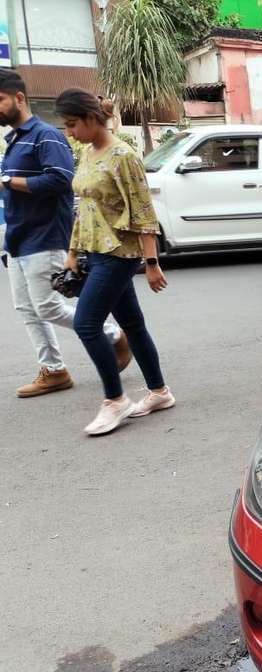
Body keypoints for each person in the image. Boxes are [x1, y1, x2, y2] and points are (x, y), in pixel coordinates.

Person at [0, 69, 129, 398]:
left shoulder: (45, 135)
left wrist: (7, 182)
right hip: (16, 238)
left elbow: (60, 180)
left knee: (48, 308)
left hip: (44, 237)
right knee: (27, 309)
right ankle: (54, 369)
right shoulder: (13, 141)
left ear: (19, 98)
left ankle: (114, 336)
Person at [55, 89, 175, 436]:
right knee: (133, 325)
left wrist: (152, 262)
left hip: (119, 253)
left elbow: (143, 211)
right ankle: (160, 392)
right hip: (95, 251)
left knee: (87, 324)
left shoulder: (123, 156)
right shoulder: (88, 153)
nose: (70, 133)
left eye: (73, 124)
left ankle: (114, 400)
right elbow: (86, 207)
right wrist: (74, 252)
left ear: (92, 119)